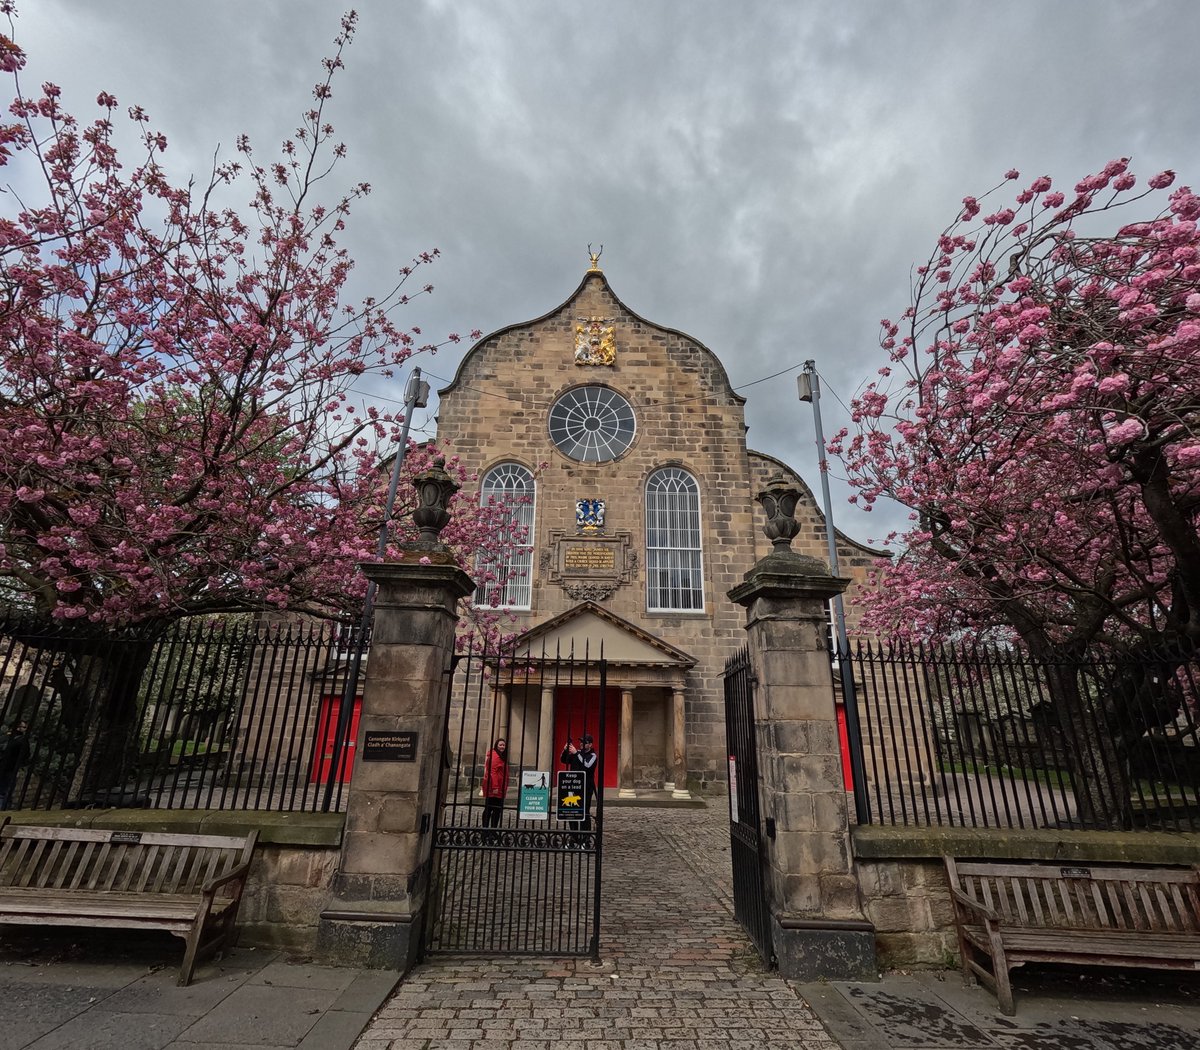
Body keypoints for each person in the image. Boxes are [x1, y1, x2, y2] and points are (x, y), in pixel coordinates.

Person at [560, 733, 599, 834]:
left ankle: (586, 838)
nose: (581, 744)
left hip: (586, 788)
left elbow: (587, 766)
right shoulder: (576, 753)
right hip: (573, 787)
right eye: (581, 742)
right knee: (571, 812)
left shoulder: (593, 756)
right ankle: (574, 837)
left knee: (584, 813)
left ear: (590, 745)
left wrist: (577, 754)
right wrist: (565, 750)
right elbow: (564, 760)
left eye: (584, 742)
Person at [0, 719, 31, 810]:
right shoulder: (18, 740)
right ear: (17, 727)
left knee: (4, 791)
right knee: (5, 791)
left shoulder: (8, 738)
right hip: (8, 768)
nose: (25, 729)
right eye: (24, 727)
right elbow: (25, 756)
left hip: (7, 768)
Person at [481, 738, 508, 832]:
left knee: (496, 810)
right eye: (500, 745)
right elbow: (493, 772)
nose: (502, 747)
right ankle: (486, 830)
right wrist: (495, 787)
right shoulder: (495, 756)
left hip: (499, 787)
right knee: (492, 809)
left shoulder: (499, 755)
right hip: (494, 788)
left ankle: (491, 830)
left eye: (503, 745)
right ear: (496, 745)